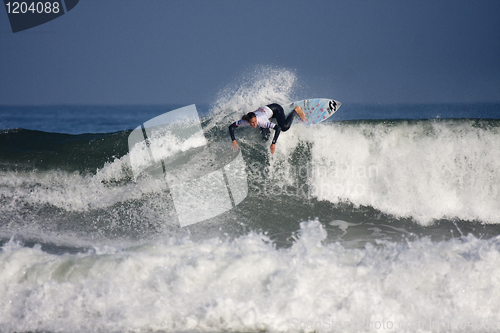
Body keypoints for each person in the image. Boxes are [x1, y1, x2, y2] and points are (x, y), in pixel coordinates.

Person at [228, 103, 306, 154]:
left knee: (284, 127)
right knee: (266, 137)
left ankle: (295, 111)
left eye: (255, 121)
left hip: (276, 109)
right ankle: (269, 118)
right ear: (248, 121)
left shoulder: (262, 121)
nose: (254, 124)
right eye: (252, 123)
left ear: (256, 119)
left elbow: (278, 128)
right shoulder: (244, 121)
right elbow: (231, 127)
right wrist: (234, 140)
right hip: (264, 111)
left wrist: (273, 143)